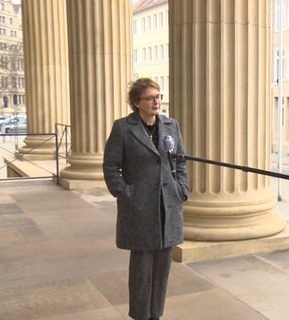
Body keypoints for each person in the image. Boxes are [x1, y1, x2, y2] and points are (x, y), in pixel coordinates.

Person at [103, 78, 189, 320]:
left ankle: (156, 314)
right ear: (136, 102)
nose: (156, 101)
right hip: (139, 208)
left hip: (168, 205)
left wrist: (181, 188)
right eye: (150, 97)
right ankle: (141, 315)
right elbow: (111, 166)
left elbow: (180, 161)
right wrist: (125, 193)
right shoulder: (123, 128)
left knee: (162, 268)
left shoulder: (171, 125)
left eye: (158, 96)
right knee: (142, 269)